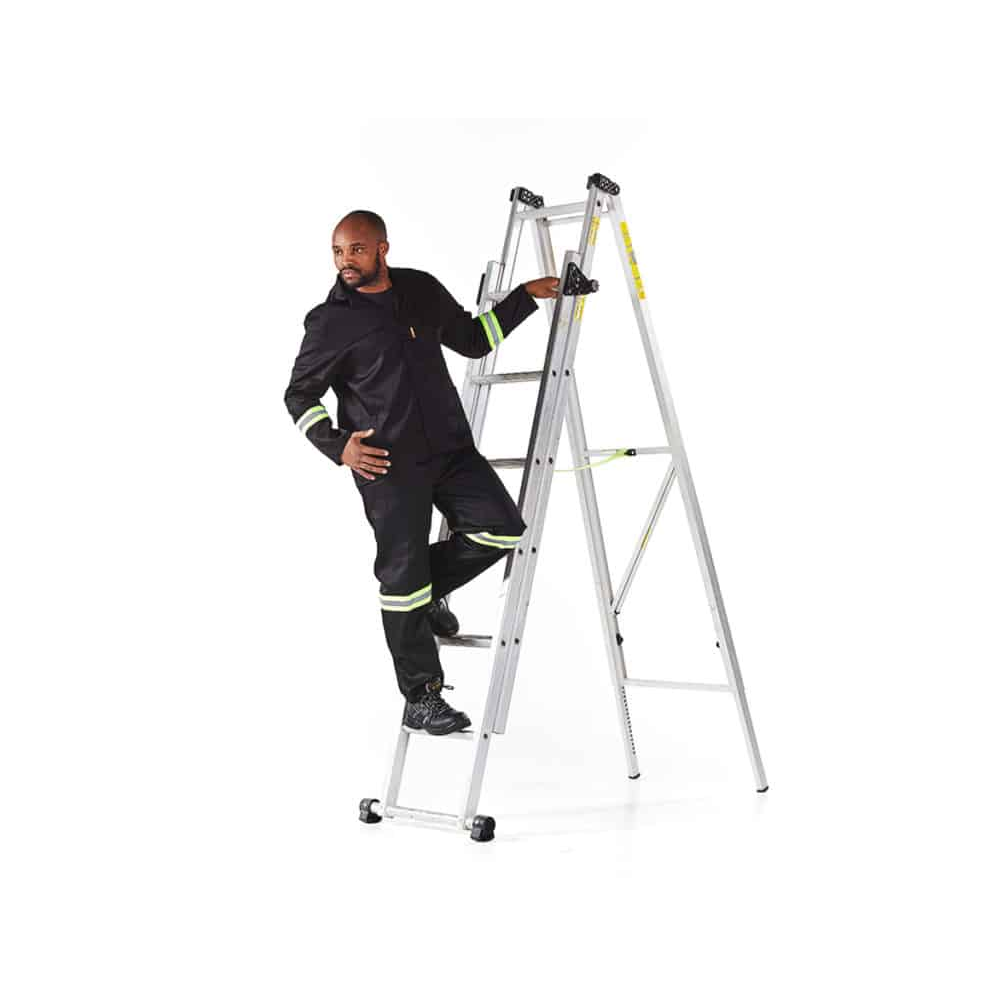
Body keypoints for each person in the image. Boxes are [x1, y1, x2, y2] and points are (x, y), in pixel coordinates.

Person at [284, 209, 559, 735]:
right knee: (402, 577)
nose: (345, 261)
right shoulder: (329, 322)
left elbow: (474, 340)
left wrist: (524, 295)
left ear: (382, 249)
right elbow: (299, 395)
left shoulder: (420, 290)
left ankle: (427, 591)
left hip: (451, 449)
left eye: (356, 249)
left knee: (501, 529)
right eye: (338, 251)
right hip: (387, 465)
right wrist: (339, 447)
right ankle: (421, 698)